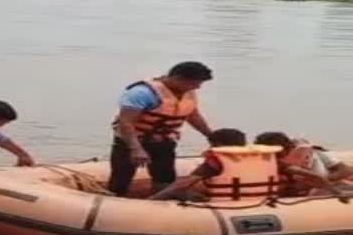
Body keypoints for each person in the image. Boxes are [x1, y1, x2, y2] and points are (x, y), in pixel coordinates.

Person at [108, 61, 214, 197]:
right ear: (178, 79)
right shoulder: (141, 93)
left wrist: (210, 135)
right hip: (131, 141)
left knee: (165, 179)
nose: (198, 87)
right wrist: (136, 149)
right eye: (195, 83)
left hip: (163, 142)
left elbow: (193, 116)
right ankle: (116, 202)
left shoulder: (188, 92)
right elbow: (126, 122)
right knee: (121, 179)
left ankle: (159, 207)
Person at [149, 128, 279, 201]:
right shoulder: (262, 156)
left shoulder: (218, 159)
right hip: (264, 202)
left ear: (217, 144)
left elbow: (183, 184)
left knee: (171, 189)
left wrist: (151, 201)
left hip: (229, 205)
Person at [254, 132, 353, 198]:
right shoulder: (268, 162)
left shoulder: (312, 153)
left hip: (334, 184)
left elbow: (345, 170)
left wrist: (308, 184)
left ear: (288, 147)